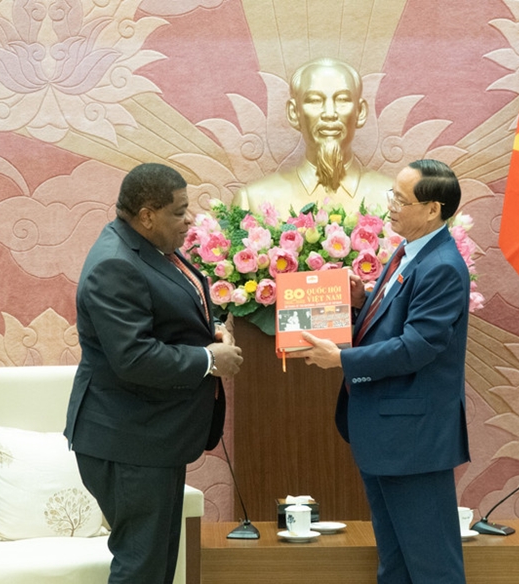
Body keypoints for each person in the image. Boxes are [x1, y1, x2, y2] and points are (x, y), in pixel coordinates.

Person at [64, 163, 243, 584]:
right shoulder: (115, 264)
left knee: (158, 565)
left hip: (153, 436)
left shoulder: (149, 246)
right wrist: (209, 360)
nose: (190, 219)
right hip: (128, 442)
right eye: (179, 211)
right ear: (147, 215)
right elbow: (134, 357)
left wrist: (212, 328)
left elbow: (174, 308)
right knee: (141, 567)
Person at [301, 159, 471, 583]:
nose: (390, 205)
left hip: (414, 439)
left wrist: (342, 360)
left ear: (432, 209)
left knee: (433, 567)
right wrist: (362, 301)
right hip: (387, 432)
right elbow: (394, 320)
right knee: (394, 564)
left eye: (401, 199)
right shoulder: (409, 250)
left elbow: (417, 347)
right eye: (392, 195)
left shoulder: (442, 266)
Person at [233, 57, 392, 216]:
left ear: (360, 112)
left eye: (342, 100)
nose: (329, 113)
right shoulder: (253, 201)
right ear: (294, 113)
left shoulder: (394, 200)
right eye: (315, 101)